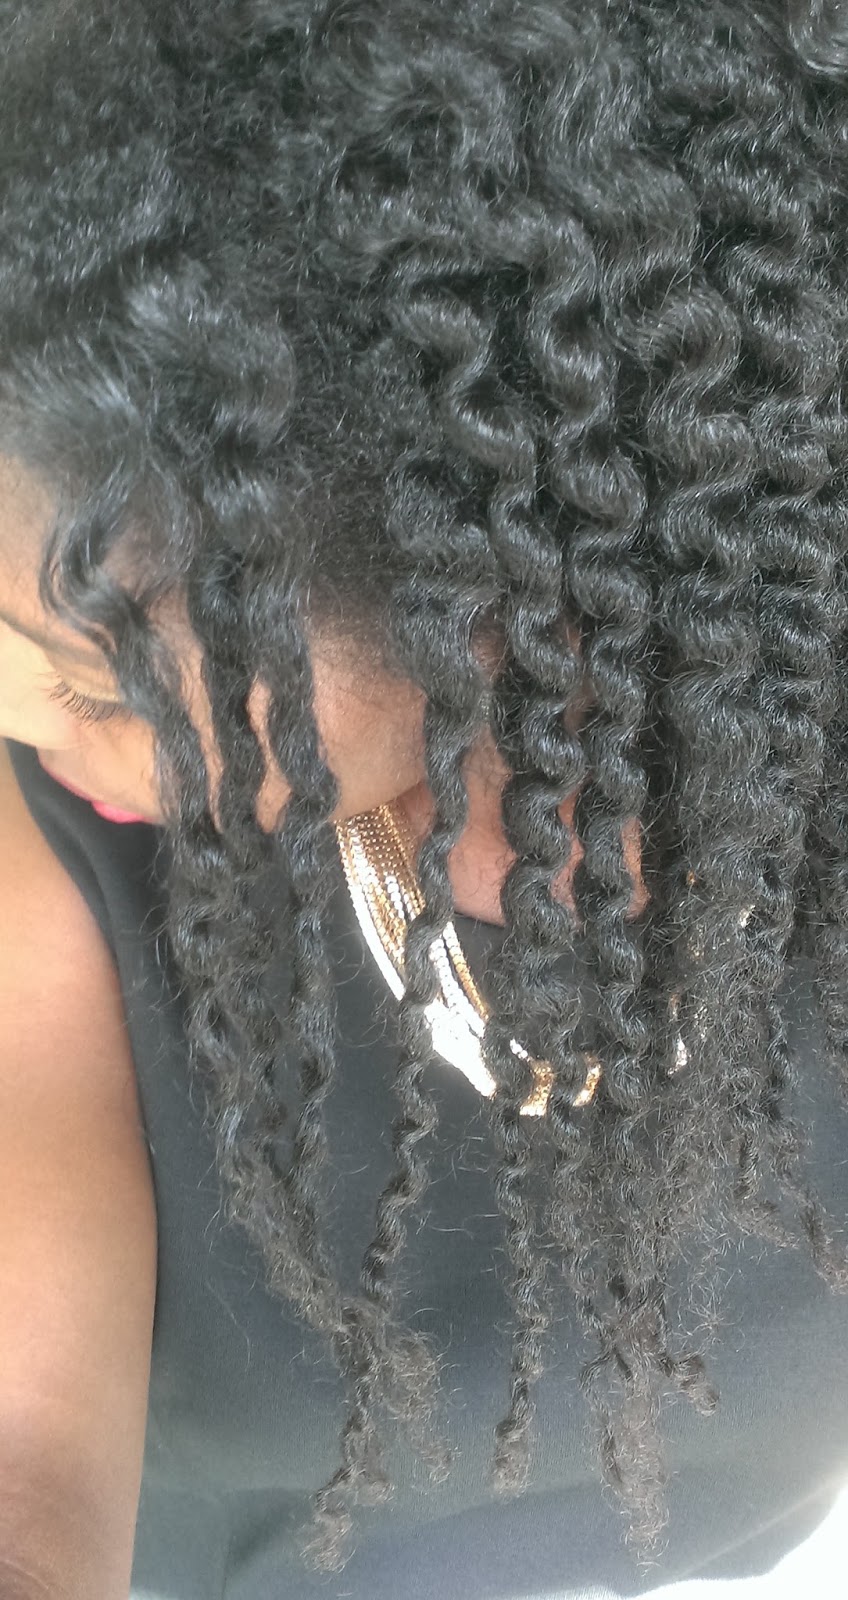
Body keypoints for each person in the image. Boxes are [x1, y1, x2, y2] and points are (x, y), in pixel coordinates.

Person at [1, 0, 847, 1595]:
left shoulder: (791, 754)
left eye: (101, 680)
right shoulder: (58, 854)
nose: (22, 721)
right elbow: (23, 1460)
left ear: (489, 599)